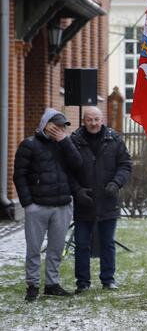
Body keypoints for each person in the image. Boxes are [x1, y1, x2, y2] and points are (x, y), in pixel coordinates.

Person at [13, 109, 82, 301]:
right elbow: (19, 176)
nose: (59, 130)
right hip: (38, 206)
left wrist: (65, 142)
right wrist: (28, 204)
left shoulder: (65, 144)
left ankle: (52, 284)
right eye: (56, 125)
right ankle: (32, 285)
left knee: (56, 249)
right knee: (34, 249)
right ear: (45, 124)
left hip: (62, 205)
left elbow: (78, 165)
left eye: (62, 127)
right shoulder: (29, 145)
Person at [70, 107, 132, 293]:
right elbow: (68, 171)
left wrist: (116, 183)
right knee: (81, 244)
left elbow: (125, 165)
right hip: (84, 201)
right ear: (83, 121)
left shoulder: (114, 139)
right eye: (89, 119)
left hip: (108, 199)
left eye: (96, 119)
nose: (93, 123)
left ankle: (108, 280)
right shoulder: (74, 141)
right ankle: (82, 283)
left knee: (107, 243)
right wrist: (77, 191)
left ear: (102, 119)